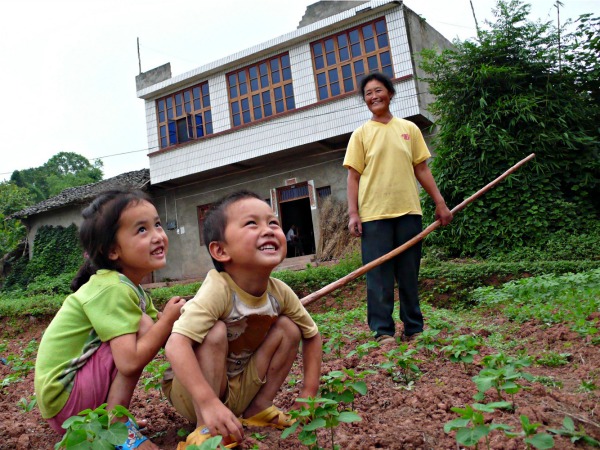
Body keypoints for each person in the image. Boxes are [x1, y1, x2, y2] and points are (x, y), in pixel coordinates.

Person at [164, 190, 322, 449]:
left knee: (289, 328)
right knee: (213, 332)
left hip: (238, 385)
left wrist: (309, 393)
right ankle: (206, 428)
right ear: (220, 250)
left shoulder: (279, 291)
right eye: (252, 223)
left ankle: (257, 409)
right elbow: (175, 344)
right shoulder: (218, 288)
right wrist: (208, 402)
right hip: (194, 392)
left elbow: (312, 336)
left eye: (273, 223)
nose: (269, 229)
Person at [34, 189, 186, 450]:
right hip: (66, 400)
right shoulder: (112, 289)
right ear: (113, 251)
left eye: (157, 224)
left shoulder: (129, 289)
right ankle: (117, 428)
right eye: (142, 230)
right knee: (143, 330)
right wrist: (167, 319)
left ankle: (110, 424)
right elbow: (129, 361)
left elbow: (167, 338)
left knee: (147, 326)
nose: (158, 236)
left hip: (69, 402)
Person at [343, 72, 453, 345]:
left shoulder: (409, 129)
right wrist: (354, 214)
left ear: (390, 94)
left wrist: (440, 203)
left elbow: (422, 169)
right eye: (368, 93)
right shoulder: (361, 134)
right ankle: (383, 332)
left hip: (408, 213)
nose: (373, 97)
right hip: (374, 217)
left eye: (378, 91)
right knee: (378, 277)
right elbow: (353, 176)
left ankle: (414, 328)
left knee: (408, 274)